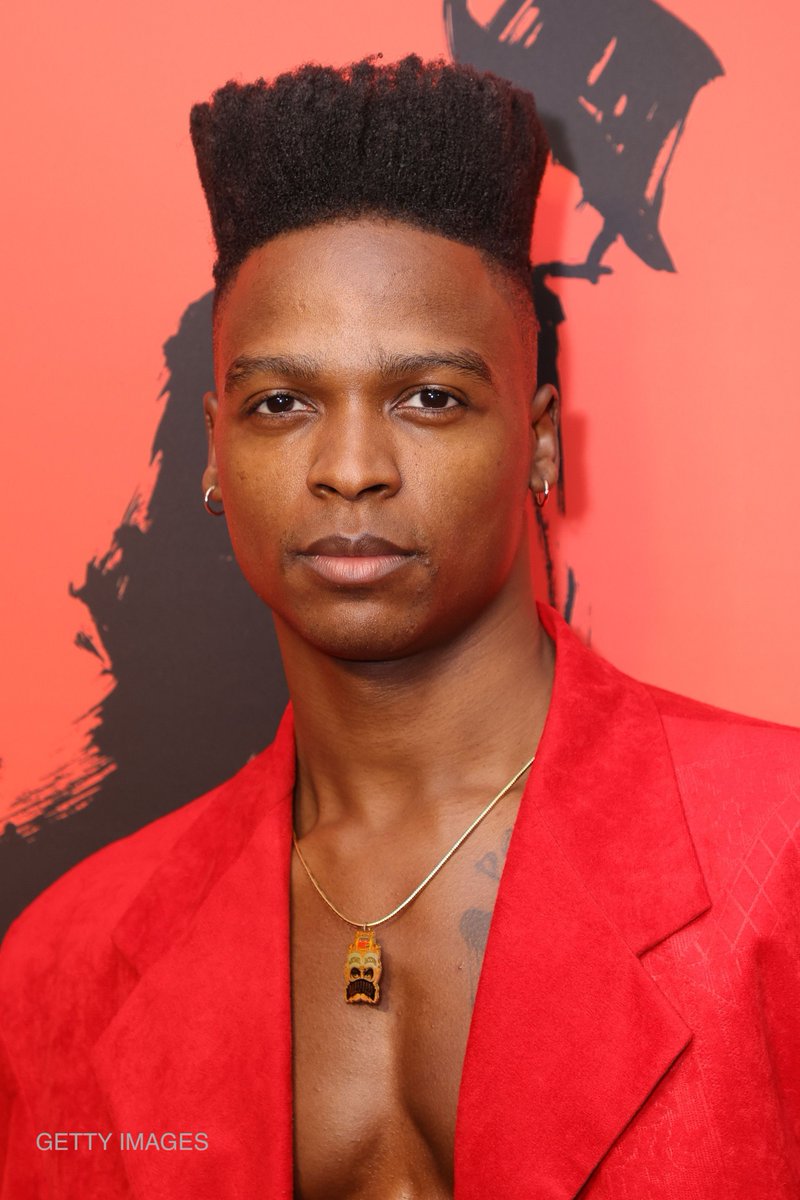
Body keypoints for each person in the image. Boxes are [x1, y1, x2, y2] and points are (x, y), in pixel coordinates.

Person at [0, 54, 798, 1200]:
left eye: (428, 397)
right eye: (282, 403)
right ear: (215, 451)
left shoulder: (779, 854)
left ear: (536, 441)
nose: (350, 468)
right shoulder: (65, 964)